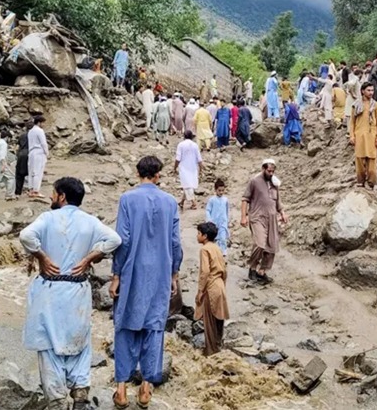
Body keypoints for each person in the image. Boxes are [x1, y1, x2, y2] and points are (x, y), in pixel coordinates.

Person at [20, 177, 121, 410]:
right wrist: (90, 257)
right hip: (77, 289)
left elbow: (26, 236)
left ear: (62, 196)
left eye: (53, 193)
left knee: (49, 344)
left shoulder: (48, 218)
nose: (51, 196)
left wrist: (41, 256)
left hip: (51, 289)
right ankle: (80, 393)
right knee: (80, 341)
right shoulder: (90, 221)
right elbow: (115, 239)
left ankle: (56, 400)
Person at [111, 156, 182, 409]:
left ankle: (121, 390)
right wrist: (174, 274)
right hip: (160, 273)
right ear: (158, 175)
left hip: (132, 271)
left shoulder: (127, 199)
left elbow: (123, 239)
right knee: (154, 327)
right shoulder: (170, 202)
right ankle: (145, 388)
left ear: (138, 173)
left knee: (125, 324)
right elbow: (175, 242)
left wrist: (116, 275)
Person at [241, 159, 288, 284]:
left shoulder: (274, 182)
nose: (271, 173)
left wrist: (282, 212)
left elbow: (278, 201)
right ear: (263, 169)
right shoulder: (254, 181)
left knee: (272, 246)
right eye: (269, 171)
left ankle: (262, 271)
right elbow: (245, 199)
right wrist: (243, 217)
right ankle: (252, 267)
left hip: (271, 219)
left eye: (273, 171)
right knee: (260, 244)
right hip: (257, 217)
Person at [194, 222, 229, 357]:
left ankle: (211, 352)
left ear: (205, 236)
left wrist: (200, 291)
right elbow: (224, 269)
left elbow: (205, 271)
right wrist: (223, 284)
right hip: (220, 285)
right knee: (219, 320)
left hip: (211, 287)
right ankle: (219, 347)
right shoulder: (217, 248)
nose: (197, 236)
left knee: (209, 323)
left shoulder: (204, 250)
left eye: (198, 233)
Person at [349, 83, 377, 188]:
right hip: (359, 135)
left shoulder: (376, 105)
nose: (371, 93)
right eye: (368, 90)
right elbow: (352, 122)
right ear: (362, 91)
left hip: (372, 135)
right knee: (359, 159)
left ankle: (371, 183)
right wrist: (352, 136)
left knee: (372, 160)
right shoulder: (356, 105)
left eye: (372, 90)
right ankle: (361, 181)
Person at [174, 130, 203, 211]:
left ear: (184, 136)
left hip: (184, 168)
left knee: (187, 185)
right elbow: (199, 159)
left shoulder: (181, 145)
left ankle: (194, 203)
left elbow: (178, 159)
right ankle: (182, 202)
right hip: (193, 168)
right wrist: (201, 169)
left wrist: (175, 167)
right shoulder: (195, 145)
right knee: (188, 185)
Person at [205, 179, 231, 256]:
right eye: (219, 190)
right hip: (214, 222)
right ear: (215, 190)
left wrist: (227, 220)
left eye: (223, 190)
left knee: (223, 238)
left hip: (223, 222)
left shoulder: (225, 200)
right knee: (214, 238)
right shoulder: (212, 200)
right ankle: (214, 252)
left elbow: (227, 211)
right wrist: (209, 220)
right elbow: (208, 210)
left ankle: (223, 252)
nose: (221, 192)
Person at [28, 115, 49, 199]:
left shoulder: (30, 131)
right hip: (38, 152)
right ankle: (36, 190)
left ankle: (31, 189)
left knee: (31, 172)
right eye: (43, 123)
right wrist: (47, 152)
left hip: (31, 152)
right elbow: (43, 143)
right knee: (38, 172)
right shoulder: (40, 131)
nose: (44, 125)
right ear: (39, 123)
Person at [14, 119, 32, 197]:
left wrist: (17, 154)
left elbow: (17, 146)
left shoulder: (22, 135)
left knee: (19, 174)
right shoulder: (34, 135)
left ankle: (18, 193)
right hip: (30, 154)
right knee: (31, 173)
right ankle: (31, 190)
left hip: (21, 154)